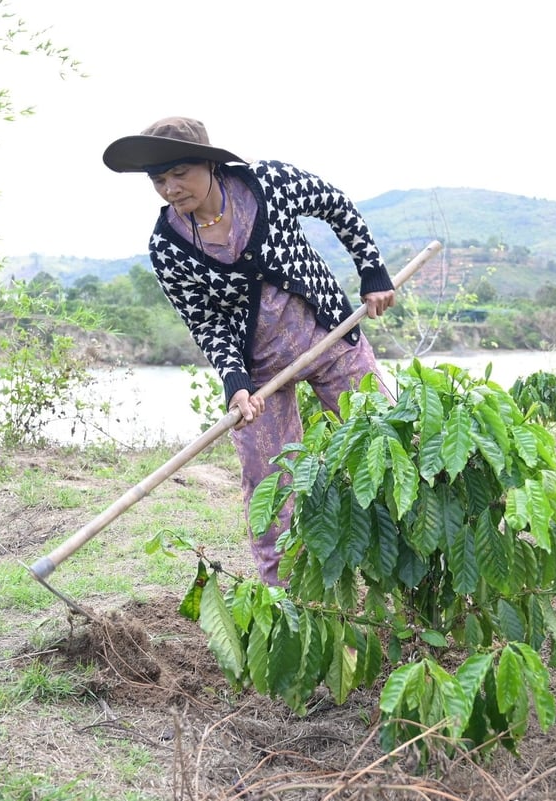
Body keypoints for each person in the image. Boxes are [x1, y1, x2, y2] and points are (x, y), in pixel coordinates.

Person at [103, 116, 395, 586]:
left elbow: (336, 205)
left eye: (180, 174)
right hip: (258, 370)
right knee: (271, 487)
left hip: (329, 336)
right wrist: (235, 382)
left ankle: (413, 563)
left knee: (387, 439)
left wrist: (372, 271)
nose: (171, 189)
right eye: (159, 180)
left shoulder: (268, 183)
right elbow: (205, 321)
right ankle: (288, 598)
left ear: (210, 165)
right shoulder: (168, 248)